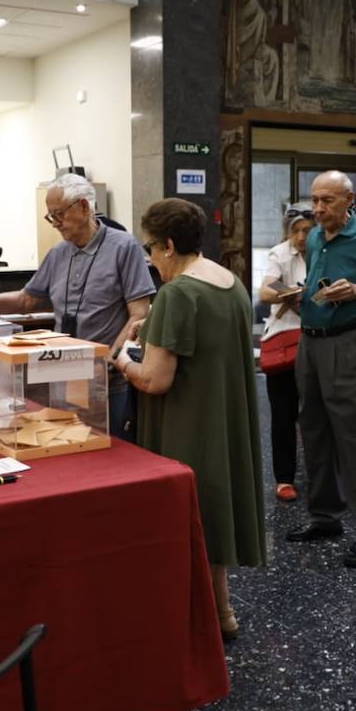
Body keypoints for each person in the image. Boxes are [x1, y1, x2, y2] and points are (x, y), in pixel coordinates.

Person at [116, 199, 266, 641]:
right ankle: (221, 613)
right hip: (224, 416)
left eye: (151, 249)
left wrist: (122, 359)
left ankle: (186, 619)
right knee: (213, 511)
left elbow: (156, 378)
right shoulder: (228, 280)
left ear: (167, 245)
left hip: (187, 421)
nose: (148, 259)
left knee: (188, 518)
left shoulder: (179, 292)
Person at [0, 173, 155, 439]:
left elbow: (138, 314)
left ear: (83, 206)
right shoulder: (58, 253)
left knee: (110, 455)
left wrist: (108, 361)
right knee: (63, 446)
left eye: (59, 214)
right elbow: (27, 299)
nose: (55, 223)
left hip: (107, 383)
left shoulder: (123, 247)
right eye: (50, 216)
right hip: (62, 376)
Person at [285, 171, 356, 569]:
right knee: (313, 430)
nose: (318, 209)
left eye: (328, 201)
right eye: (315, 200)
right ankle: (324, 517)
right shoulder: (316, 235)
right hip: (310, 341)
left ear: (348, 200)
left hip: (348, 342)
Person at [258, 205, 314, 502]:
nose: (302, 236)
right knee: (283, 413)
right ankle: (284, 478)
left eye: (307, 230)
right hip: (285, 338)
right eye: (297, 231)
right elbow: (266, 291)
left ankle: (321, 473)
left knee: (316, 412)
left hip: (318, 340)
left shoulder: (325, 251)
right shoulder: (280, 253)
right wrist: (294, 293)